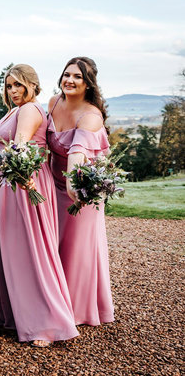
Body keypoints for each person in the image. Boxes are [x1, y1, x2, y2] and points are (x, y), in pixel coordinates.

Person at [0, 64, 78, 347]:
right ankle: (11, 311)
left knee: (28, 249)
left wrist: (16, 175)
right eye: (9, 86)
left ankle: (45, 323)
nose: (13, 91)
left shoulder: (30, 110)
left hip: (21, 184)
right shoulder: (14, 110)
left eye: (19, 85)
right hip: (4, 185)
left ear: (32, 84)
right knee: (7, 249)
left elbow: (19, 147)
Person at [47, 57, 115, 326]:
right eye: (66, 74)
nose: (69, 81)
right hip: (52, 185)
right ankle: (52, 301)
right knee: (53, 245)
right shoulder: (53, 102)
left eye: (77, 77)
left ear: (88, 84)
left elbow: (76, 152)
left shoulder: (91, 115)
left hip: (82, 191)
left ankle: (74, 312)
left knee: (77, 249)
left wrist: (74, 185)